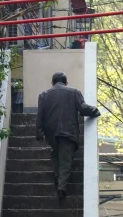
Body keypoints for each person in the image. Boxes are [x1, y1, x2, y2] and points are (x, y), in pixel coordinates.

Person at [36, 71, 100, 202]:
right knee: (65, 160)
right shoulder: (74, 92)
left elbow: (40, 115)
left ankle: (58, 177)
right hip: (68, 132)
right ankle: (62, 189)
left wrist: (39, 133)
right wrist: (96, 110)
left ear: (52, 83)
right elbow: (83, 109)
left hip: (51, 133)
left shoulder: (43, 95)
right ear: (66, 83)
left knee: (55, 154)